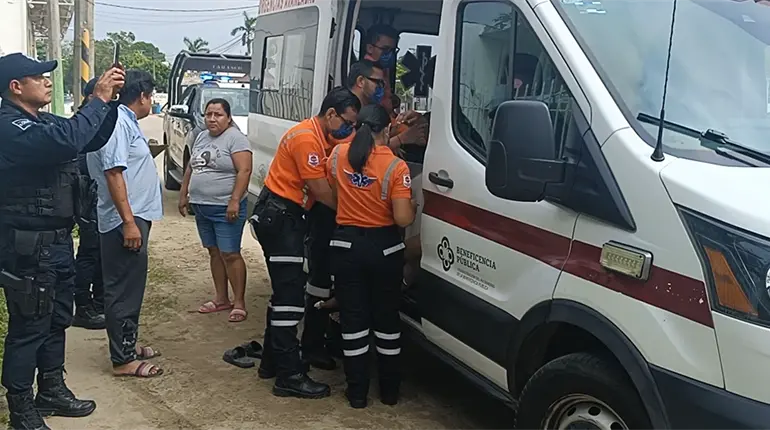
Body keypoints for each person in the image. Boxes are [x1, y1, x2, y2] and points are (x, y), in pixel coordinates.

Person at [0, 53, 124, 429]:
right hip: (26, 245)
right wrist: (96, 99)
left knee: (57, 319)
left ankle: (51, 389)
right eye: (38, 76)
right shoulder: (9, 126)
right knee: (29, 327)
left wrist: (108, 102)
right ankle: (21, 407)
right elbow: (64, 140)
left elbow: (89, 137)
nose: (47, 81)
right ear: (15, 87)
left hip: (56, 242)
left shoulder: (44, 121)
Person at [249, 86, 360, 399]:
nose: (349, 129)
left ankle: (271, 362)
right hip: (282, 218)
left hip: (287, 217)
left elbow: (357, 147)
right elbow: (321, 191)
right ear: (331, 114)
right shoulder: (306, 139)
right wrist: (357, 214)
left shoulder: (323, 135)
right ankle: (289, 375)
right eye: (347, 123)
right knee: (290, 298)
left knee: (284, 293)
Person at [326, 103, 416, 408]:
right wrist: (413, 206)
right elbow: (402, 218)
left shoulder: (338, 155)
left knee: (353, 321)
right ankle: (389, 392)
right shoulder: (396, 167)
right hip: (384, 249)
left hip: (345, 247)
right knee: (386, 321)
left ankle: (357, 394)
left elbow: (335, 192)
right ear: (387, 129)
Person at [86, 70, 164, 379]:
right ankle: (122, 359)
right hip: (124, 219)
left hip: (132, 215)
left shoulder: (125, 121)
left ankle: (127, 344)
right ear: (142, 96)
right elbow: (113, 172)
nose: (151, 101)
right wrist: (129, 222)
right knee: (122, 289)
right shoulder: (118, 121)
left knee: (130, 286)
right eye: (151, 96)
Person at [178, 98, 252, 323]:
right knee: (214, 251)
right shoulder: (201, 137)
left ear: (228, 118)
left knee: (230, 253)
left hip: (225, 208)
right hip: (202, 206)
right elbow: (191, 168)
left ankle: (238, 302)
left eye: (218, 114)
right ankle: (221, 298)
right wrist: (183, 194)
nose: (212, 119)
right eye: (208, 114)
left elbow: (244, 171)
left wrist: (234, 200)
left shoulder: (236, 139)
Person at [73, 77, 106, 330]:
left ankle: (99, 303)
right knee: (90, 252)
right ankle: (84, 307)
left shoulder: (93, 118)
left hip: (95, 194)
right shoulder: (86, 121)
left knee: (100, 253)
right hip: (89, 195)